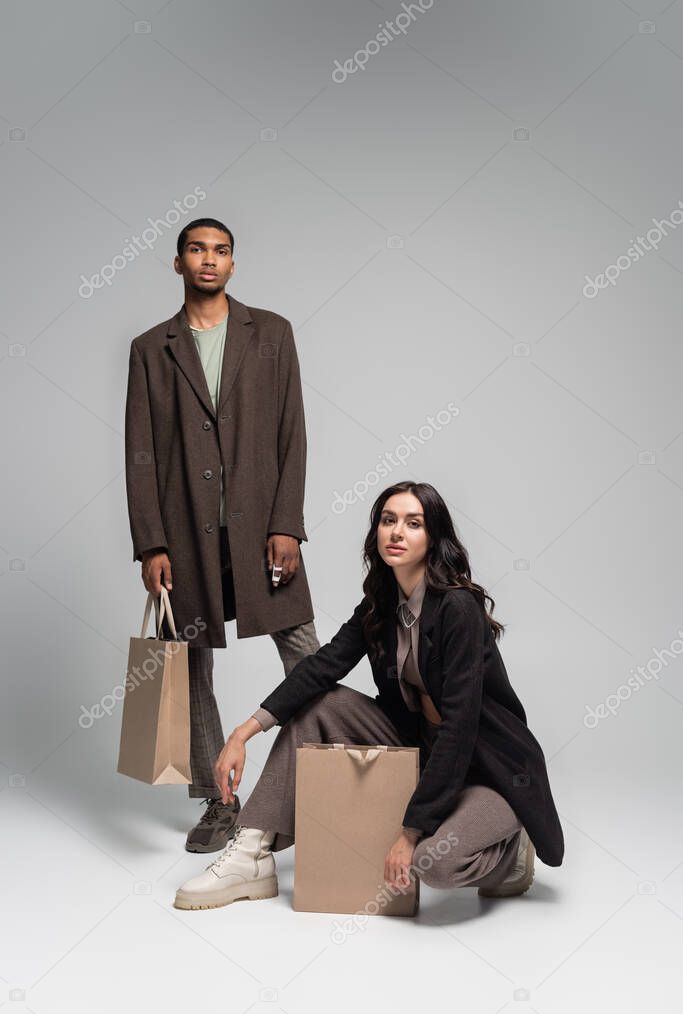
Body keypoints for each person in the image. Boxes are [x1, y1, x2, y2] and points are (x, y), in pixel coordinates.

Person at [173, 481, 565, 911]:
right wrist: (243, 732)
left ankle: (510, 850)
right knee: (321, 701)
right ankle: (251, 853)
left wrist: (410, 833)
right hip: (421, 749)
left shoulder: (458, 609)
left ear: (433, 537)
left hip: (487, 769)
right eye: (388, 520)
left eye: (413, 524)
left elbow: (459, 729)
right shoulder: (381, 602)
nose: (397, 532)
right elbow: (322, 666)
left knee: (434, 864)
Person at [124, 218, 320, 853]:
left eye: (222, 250)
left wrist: (287, 522)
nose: (210, 260)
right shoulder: (152, 348)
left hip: (262, 529)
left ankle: (316, 788)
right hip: (186, 534)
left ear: (233, 264)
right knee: (191, 667)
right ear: (177, 263)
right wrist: (152, 542)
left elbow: (293, 433)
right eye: (197, 250)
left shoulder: (272, 334)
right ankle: (218, 803)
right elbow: (141, 451)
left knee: (306, 653)